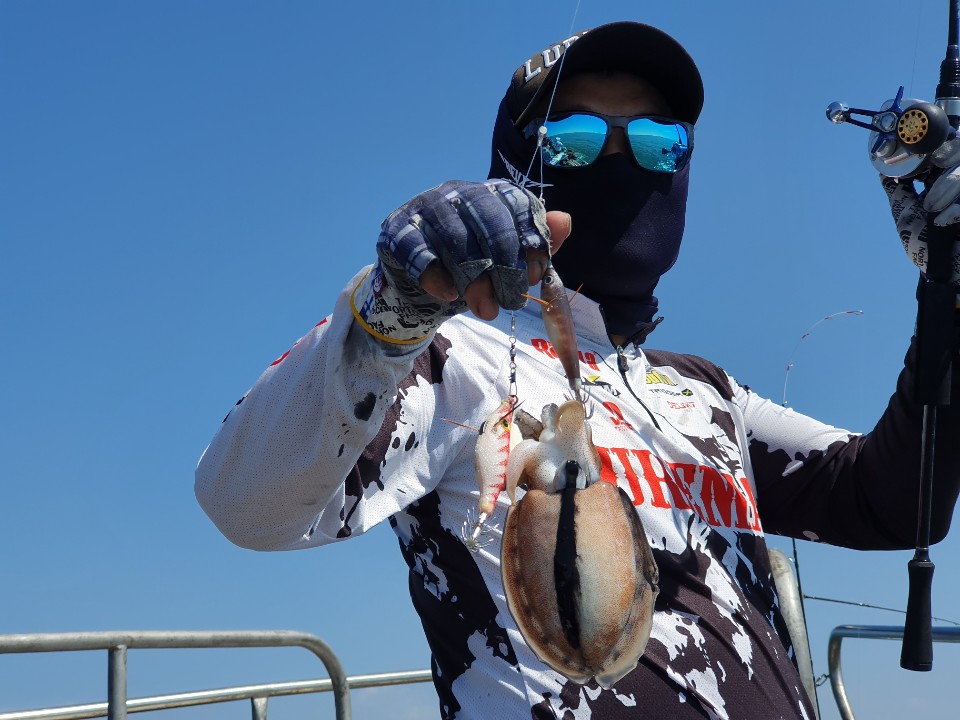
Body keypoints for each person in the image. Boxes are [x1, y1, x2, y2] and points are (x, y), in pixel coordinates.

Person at [195, 21, 960, 719]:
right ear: (514, 169)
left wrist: (950, 291)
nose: (621, 161)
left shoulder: (707, 391)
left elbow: (896, 502)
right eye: (575, 140)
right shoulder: (444, 353)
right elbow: (245, 502)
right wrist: (392, 309)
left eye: (659, 142)